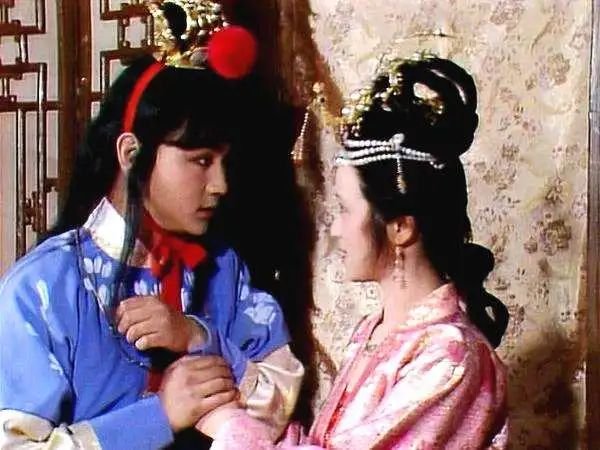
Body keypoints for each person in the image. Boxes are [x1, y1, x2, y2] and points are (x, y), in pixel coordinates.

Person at [0, 1, 303, 449]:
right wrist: (158, 416)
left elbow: (281, 398)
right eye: (201, 160)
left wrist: (198, 336)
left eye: (225, 162)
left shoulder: (224, 268)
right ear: (131, 153)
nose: (220, 185)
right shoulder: (43, 287)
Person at [208, 53, 509, 449]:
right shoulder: (373, 330)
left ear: (400, 227)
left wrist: (232, 429)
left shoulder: (451, 356)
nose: (335, 229)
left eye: (346, 210)